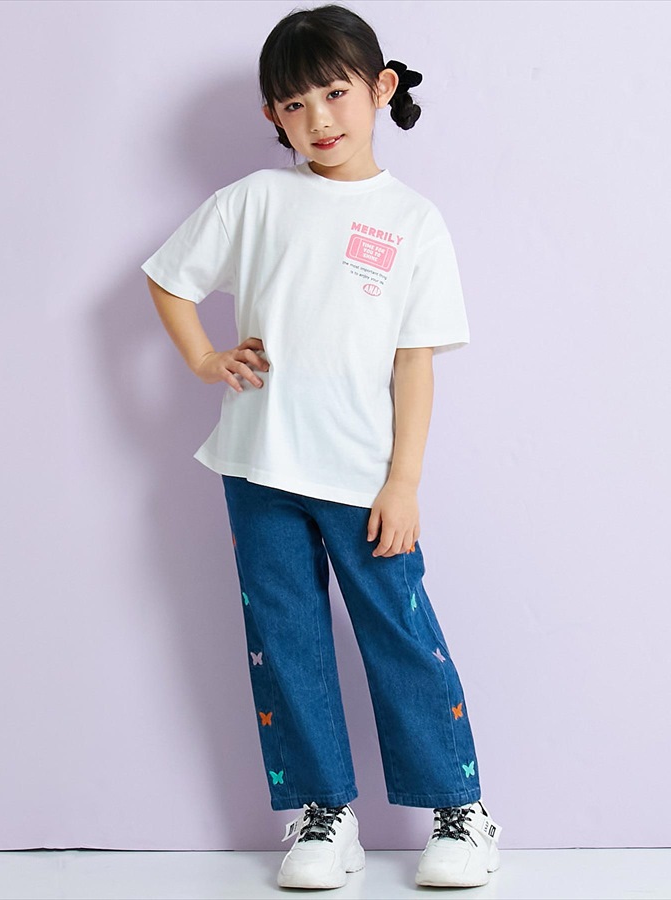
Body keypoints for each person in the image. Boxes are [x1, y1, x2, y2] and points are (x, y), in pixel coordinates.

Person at [141, 3, 502, 890]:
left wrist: (404, 482)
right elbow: (169, 279)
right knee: (286, 639)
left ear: (380, 89)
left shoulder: (413, 221)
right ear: (273, 115)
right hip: (258, 466)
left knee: (399, 637)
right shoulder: (255, 201)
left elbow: (414, 364)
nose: (319, 119)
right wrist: (205, 359)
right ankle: (322, 812)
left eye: (335, 94)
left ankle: (460, 810)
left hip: (365, 478)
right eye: (294, 105)